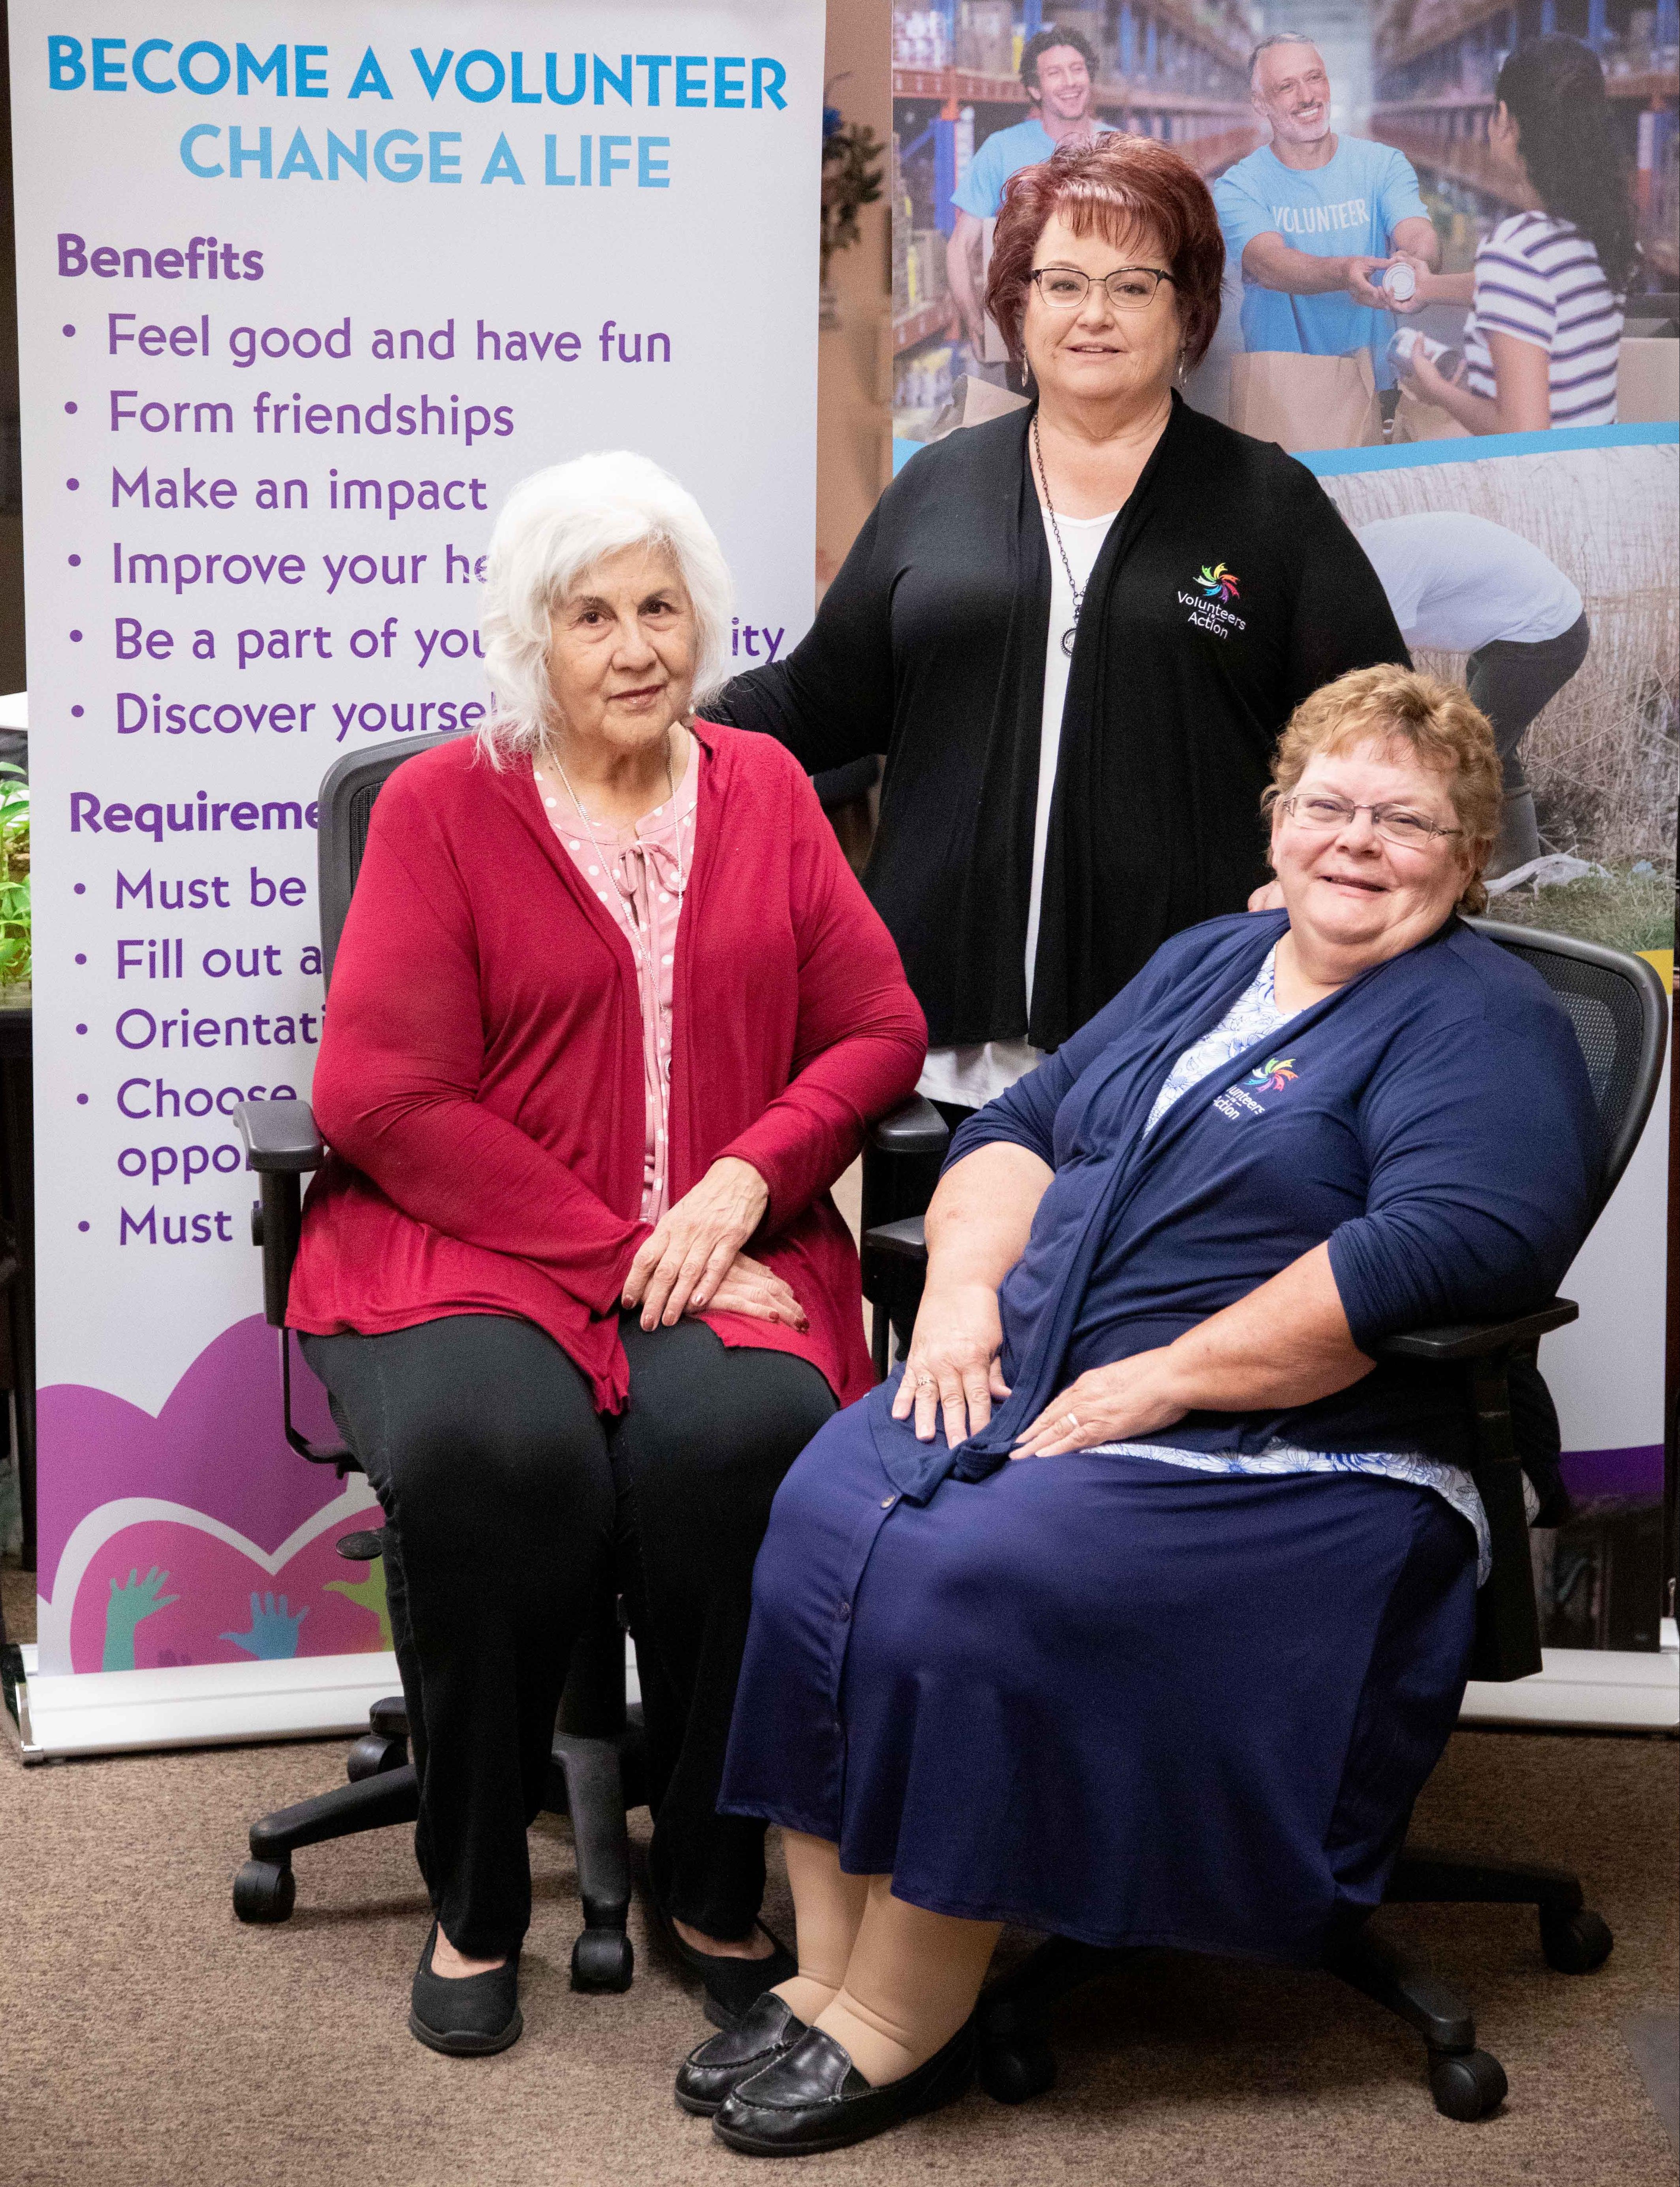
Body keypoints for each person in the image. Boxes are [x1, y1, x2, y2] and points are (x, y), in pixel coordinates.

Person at [682, 664, 1599, 2155]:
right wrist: (970, 1295)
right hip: (1043, 1372)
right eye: (1328, 805)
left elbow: (1445, 1240)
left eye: (1406, 820)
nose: (1357, 842)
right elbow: (1015, 1129)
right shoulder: (1204, 962)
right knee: (821, 1512)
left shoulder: (1477, 1021)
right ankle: (825, 1974)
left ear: (1467, 852)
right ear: (1277, 821)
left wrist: (1161, 1378)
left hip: (1297, 1448)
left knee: (968, 1585)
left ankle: (908, 2020)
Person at [285, 454, 925, 2056]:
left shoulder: (767, 789)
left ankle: (710, 1877)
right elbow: (376, 1093)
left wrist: (745, 1180)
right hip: (468, 1245)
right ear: (532, 638)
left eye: (663, 607)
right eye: (595, 614)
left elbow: (878, 1025)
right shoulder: (442, 806)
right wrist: (631, 1240)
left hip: (722, 1239)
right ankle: (473, 1897)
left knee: (751, 1443)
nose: (638, 646)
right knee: (492, 1453)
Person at [712, 136, 1408, 1131]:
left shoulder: (1267, 505)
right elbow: (817, 703)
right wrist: (641, 731)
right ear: (1019, 303)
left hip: (1182, 1046)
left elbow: (1384, 738)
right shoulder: (937, 486)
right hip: (936, 1043)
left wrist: (1311, 884)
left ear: (1186, 312)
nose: (1092, 315)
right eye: (1062, 282)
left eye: (1132, 285)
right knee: (941, 1280)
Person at [1396, 37, 1635, 433]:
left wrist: (1436, 389)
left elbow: (1522, 434)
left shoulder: (1513, 250)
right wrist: (1428, 287)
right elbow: (1527, 291)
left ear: (1504, 120)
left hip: (1541, 488)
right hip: (1598, 473)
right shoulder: (1603, 232)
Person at [1355, 512, 1590, 874]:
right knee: (1489, 744)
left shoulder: (1382, 562)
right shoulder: (1362, 553)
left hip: (1541, 634)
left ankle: (1458, 867)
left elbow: (1385, 670)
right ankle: (1518, 864)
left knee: (1466, 752)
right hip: (1504, 635)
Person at [1213, 34, 1440, 392]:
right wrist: (1344, 273)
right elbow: (1269, 264)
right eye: (1287, 86)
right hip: (1284, 394)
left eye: (1315, 77)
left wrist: (1417, 262)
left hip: (1375, 384)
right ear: (1260, 103)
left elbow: (1416, 232)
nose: (1307, 96)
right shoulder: (1239, 186)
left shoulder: (1382, 164)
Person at [947, 26, 1113, 369]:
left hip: (1106, 327)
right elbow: (960, 246)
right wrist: (974, 321)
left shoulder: (1121, 149)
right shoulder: (1002, 149)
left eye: (1077, 69)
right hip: (1026, 334)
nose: (1070, 82)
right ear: (1035, 89)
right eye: (1055, 73)